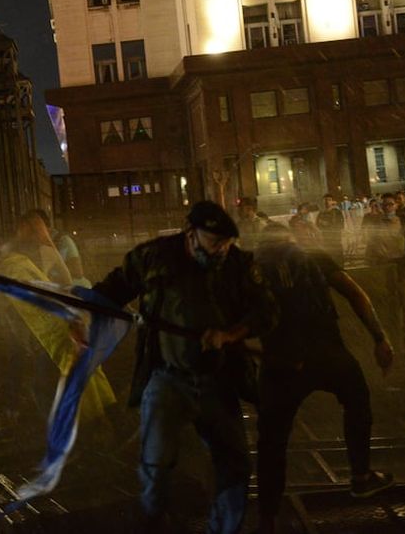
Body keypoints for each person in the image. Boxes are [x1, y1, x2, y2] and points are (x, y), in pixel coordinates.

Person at [89, 201, 277, 533]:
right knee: (156, 464)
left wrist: (229, 334)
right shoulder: (153, 257)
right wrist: (86, 312)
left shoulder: (238, 264)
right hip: (167, 379)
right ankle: (153, 520)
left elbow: (266, 312)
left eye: (227, 242)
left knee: (234, 467)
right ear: (191, 233)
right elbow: (112, 291)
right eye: (214, 241)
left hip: (219, 380)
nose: (222, 249)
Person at [254, 225, 394, 534]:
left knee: (272, 440)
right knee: (357, 400)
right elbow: (356, 294)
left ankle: (267, 515)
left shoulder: (251, 270)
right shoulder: (313, 258)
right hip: (328, 354)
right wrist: (380, 338)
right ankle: (360, 477)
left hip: (282, 363)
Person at [0, 213, 116, 423]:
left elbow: (69, 276)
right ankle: (103, 419)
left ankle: (88, 427)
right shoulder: (32, 255)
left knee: (50, 380)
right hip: (67, 319)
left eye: (26, 227)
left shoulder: (36, 254)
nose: (20, 232)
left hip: (66, 321)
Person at [364, 193, 405, 350]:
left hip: (400, 267)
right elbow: (370, 248)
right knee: (389, 306)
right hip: (384, 268)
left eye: (390, 204)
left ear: (396, 205)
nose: (387, 207)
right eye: (385, 205)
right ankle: (394, 340)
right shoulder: (376, 226)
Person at [31, 209, 90, 287]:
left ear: (44, 226)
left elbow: (77, 273)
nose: (32, 234)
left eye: (33, 229)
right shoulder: (34, 245)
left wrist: (51, 276)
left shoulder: (63, 241)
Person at [315, 194, 345, 264]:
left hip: (336, 238)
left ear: (332, 201)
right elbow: (318, 225)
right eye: (325, 200)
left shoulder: (337, 212)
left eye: (329, 200)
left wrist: (328, 224)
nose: (326, 202)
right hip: (326, 238)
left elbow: (341, 225)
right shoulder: (321, 214)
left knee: (338, 256)